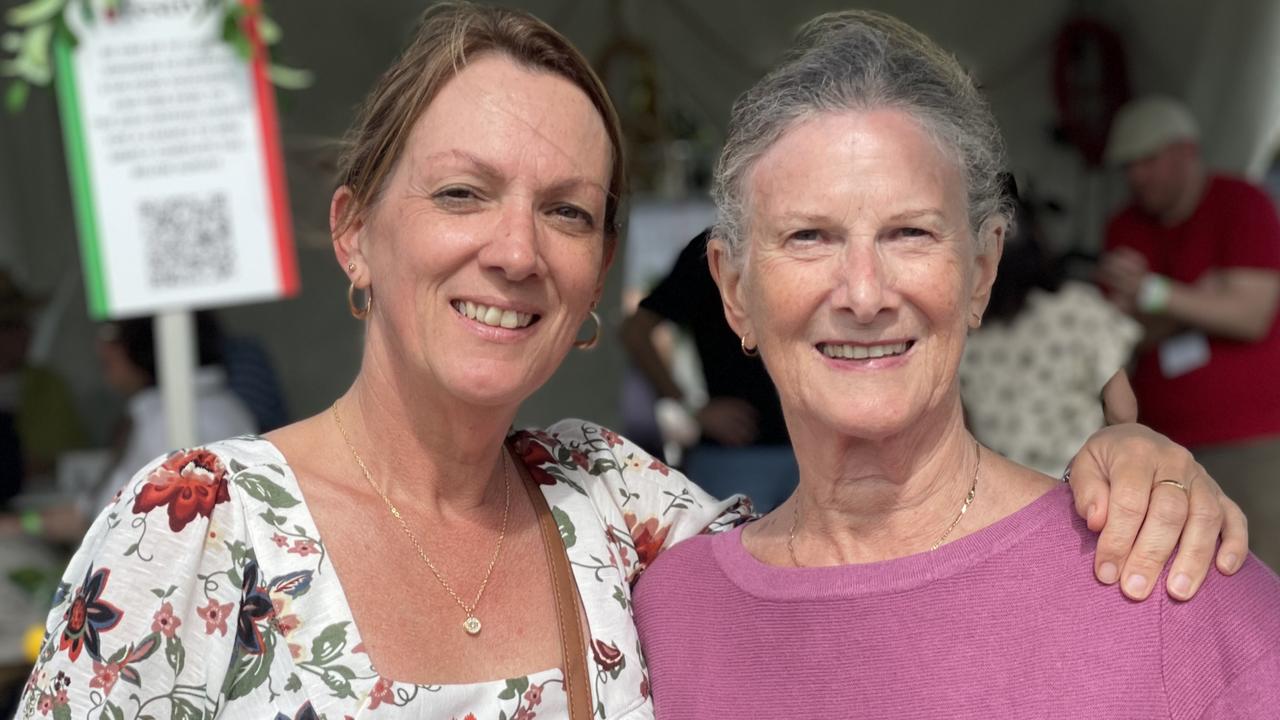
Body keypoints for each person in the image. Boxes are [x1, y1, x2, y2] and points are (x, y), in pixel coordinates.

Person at [17, 4, 1251, 719]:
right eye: (461, 193)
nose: (514, 250)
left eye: (567, 211)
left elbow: (871, 562)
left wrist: (1124, 464)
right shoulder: (186, 532)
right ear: (355, 230)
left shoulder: (614, 510)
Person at [634, 11, 1280, 718]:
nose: (863, 293)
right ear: (734, 291)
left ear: (980, 271)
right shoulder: (667, 615)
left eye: (909, 232)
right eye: (809, 236)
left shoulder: (1166, 577)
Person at [1098, 96, 1280, 571]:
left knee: (1262, 578)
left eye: (1148, 160)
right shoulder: (1125, 223)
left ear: (1186, 151)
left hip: (1252, 441)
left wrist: (1155, 293)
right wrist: (1200, 297)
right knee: (1180, 577)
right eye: (1128, 166)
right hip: (1163, 444)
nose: (1137, 175)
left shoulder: (1243, 203)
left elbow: (1250, 315)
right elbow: (1122, 332)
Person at [0, 313, 256, 543]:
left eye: (111, 334)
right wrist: (23, 524)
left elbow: (112, 520)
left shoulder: (173, 421)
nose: (101, 347)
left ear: (146, 343)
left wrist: (22, 525)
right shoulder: (210, 404)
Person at [960, 176, 1142, 475]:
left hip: (1010, 497)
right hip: (1081, 489)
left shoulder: (963, 333)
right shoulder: (1080, 308)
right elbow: (1122, 410)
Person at [621, 230, 798, 511]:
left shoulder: (817, 238)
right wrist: (691, 407)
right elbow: (636, 330)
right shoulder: (716, 247)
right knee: (728, 551)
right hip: (739, 453)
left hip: (819, 448)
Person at [0, 269, 86, 502]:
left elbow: (60, 458)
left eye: (24, 323)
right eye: (9, 325)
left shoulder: (49, 385)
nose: (24, 332)